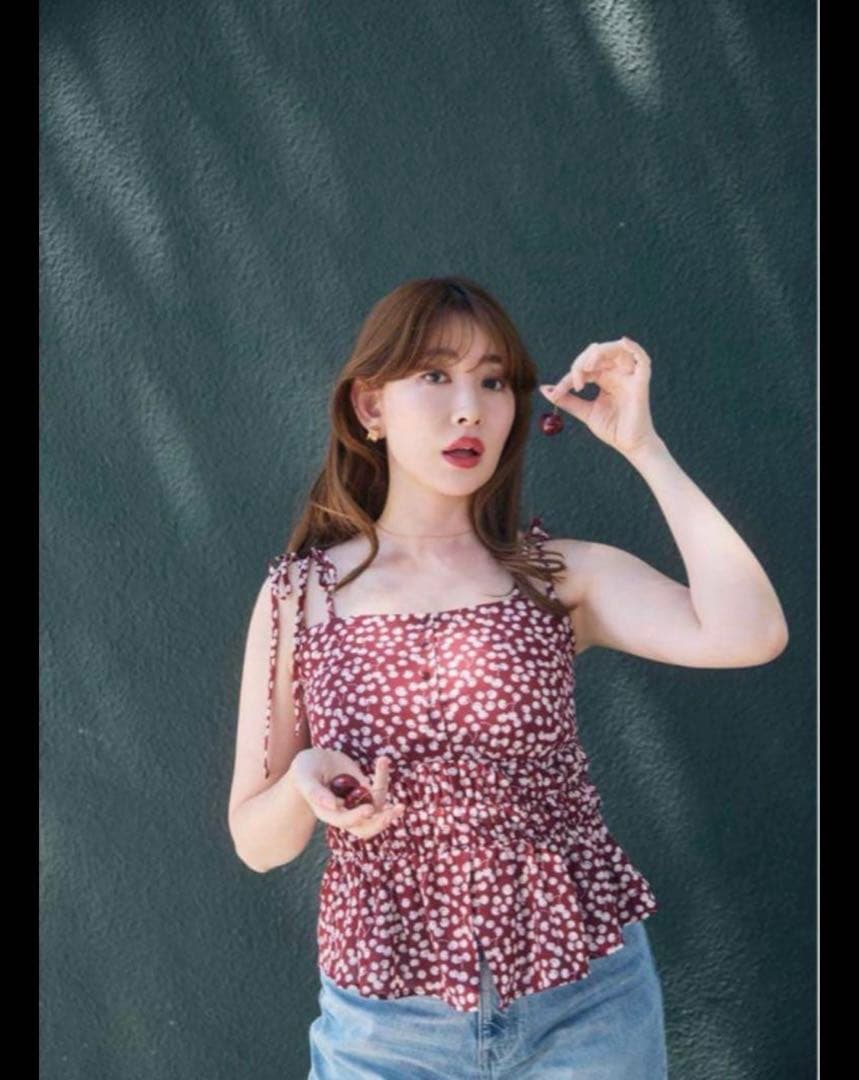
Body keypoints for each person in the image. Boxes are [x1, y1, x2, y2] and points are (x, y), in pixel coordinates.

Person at [227, 276, 789, 1078]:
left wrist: (643, 447)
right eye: (435, 375)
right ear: (369, 406)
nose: (470, 409)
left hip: (586, 1003)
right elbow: (257, 844)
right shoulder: (300, 594)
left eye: (493, 382)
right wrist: (303, 781)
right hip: (385, 1024)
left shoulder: (556, 576)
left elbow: (750, 633)